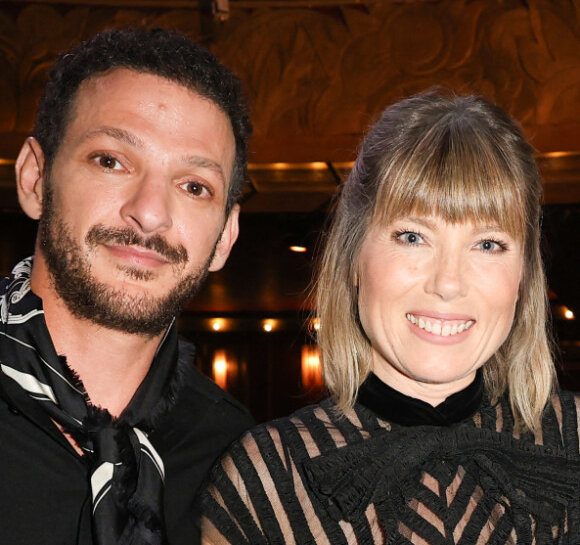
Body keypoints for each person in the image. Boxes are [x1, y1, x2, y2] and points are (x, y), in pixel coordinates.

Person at [198, 91, 580, 544]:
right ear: (354, 257)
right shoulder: (261, 477)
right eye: (413, 236)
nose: (449, 282)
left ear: (523, 277)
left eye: (488, 244)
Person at [0, 27, 255, 545]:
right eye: (111, 160)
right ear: (35, 179)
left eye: (193, 186)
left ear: (225, 237)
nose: (150, 212)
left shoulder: (242, 460)